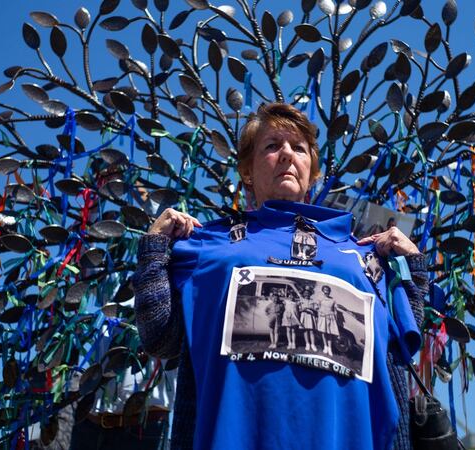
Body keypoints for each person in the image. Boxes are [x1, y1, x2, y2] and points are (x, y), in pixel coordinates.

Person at [133, 102, 428, 450]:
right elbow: (159, 339)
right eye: (272, 146)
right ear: (246, 171)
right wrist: (154, 247)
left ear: (312, 171)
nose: (287, 154)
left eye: (299, 148)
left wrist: (412, 265)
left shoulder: (362, 254)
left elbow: (401, 348)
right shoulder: (210, 246)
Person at [316, 285, 339, 356]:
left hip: (330, 317)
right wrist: (319, 314)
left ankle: (330, 348)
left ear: (329, 291)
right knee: (323, 332)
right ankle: (325, 346)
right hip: (323, 317)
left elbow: (335, 310)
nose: (326, 292)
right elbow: (317, 308)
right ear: (323, 291)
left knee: (329, 333)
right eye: (325, 290)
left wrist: (335, 318)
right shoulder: (320, 299)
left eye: (327, 290)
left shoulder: (333, 300)